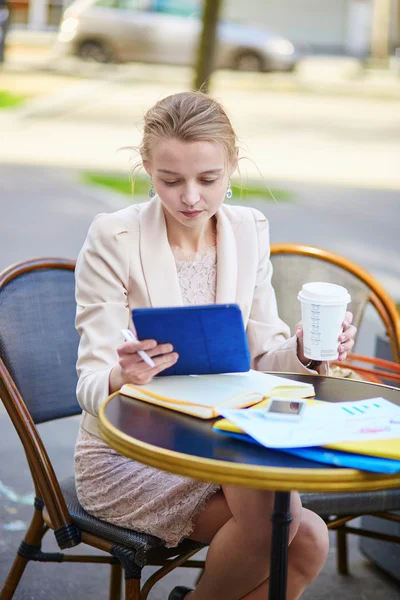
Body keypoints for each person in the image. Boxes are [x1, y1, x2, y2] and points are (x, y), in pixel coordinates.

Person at [74, 91, 357, 600]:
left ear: (232, 166)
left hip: (222, 435)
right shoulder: (113, 237)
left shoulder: (248, 229)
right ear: (146, 167)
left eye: (208, 180)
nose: (190, 198)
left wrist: (308, 352)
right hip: (132, 450)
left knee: (306, 538)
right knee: (283, 526)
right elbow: (91, 385)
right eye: (170, 180)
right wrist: (122, 376)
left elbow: (265, 359)